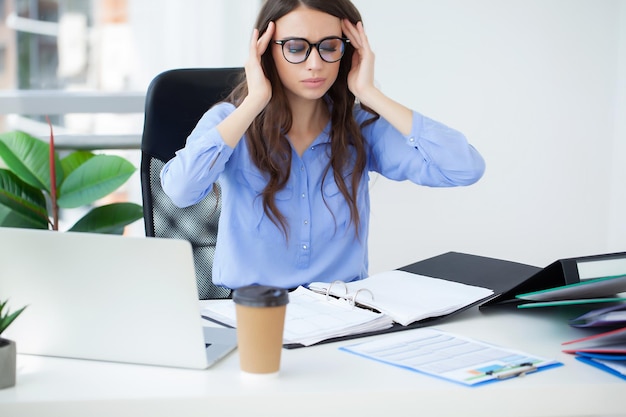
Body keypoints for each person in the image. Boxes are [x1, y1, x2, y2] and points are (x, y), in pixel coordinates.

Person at [160, 0, 485, 290]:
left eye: (329, 46)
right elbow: (181, 190)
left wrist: (370, 94)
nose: (315, 63)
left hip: (342, 313)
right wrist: (254, 101)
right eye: (296, 47)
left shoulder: (361, 128)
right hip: (252, 313)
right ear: (264, 51)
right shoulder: (230, 120)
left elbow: (464, 168)